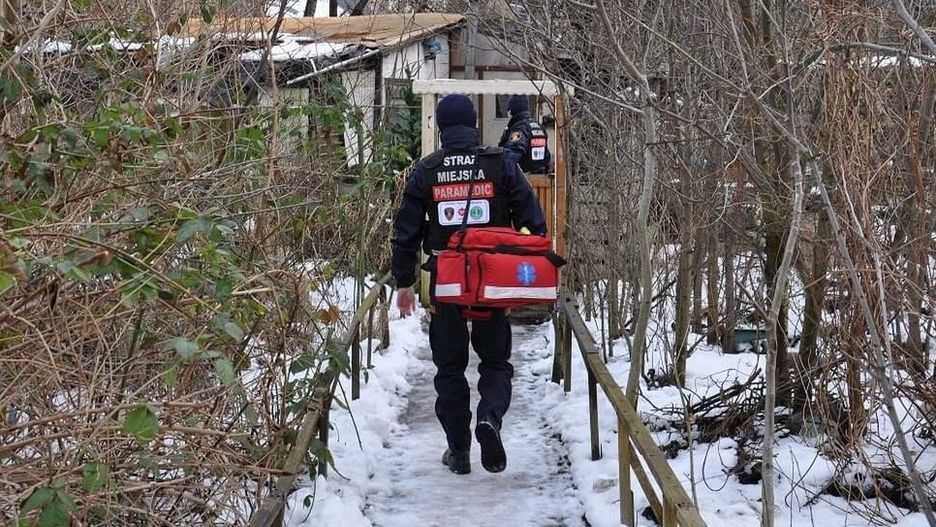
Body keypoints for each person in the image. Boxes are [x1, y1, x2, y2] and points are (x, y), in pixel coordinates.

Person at [391, 94, 547, 475]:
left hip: (447, 283)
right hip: (490, 284)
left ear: (441, 128)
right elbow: (534, 222)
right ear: (474, 124)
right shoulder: (501, 163)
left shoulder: (426, 171)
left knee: (449, 368)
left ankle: (458, 450)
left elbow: (406, 233)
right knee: (495, 362)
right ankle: (490, 418)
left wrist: (404, 283)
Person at [498, 94, 551, 174]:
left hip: (523, 177)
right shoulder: (539, 127)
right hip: (540, 176)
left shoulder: (520, 128)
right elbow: (546, 156)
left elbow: (512, 154)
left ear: (512, 111)